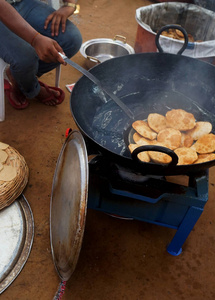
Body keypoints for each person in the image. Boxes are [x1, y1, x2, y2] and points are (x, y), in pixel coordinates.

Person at [0, 0, 82, 108]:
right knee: (25, 58)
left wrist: (70, 4)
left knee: (71, 40)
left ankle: (20, 77)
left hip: (22, 2)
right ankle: (32, 88)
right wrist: (35, 39)